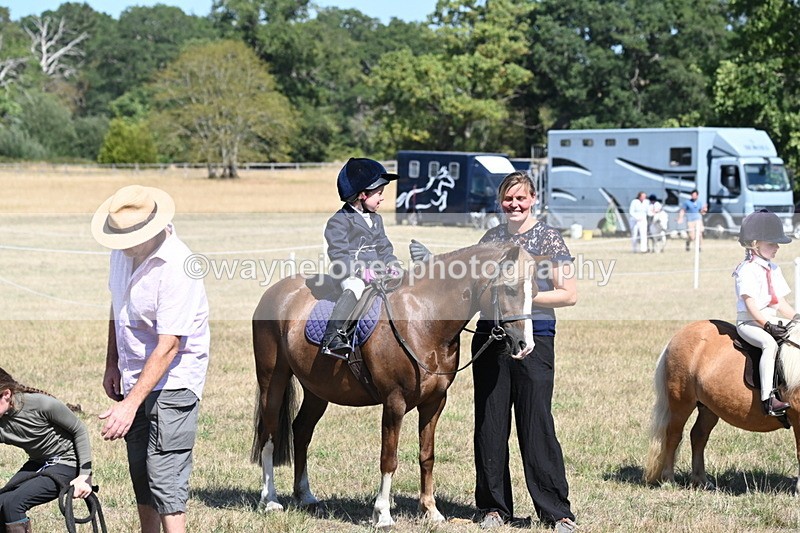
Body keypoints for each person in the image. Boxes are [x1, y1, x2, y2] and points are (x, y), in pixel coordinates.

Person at [412, 171, 577, 531]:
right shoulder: (491, 239)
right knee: (489, 423)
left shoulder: (549, 238)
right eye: (508, 199)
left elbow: (569, 293)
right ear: (500, 202)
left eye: (521, 198)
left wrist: (523, 296)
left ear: (533, 199)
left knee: (537, 424)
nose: (514, 205)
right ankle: (493, 508)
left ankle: (556, 511)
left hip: (535, 337)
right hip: (489, 338)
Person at [91, 185, 210, 533]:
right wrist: (112, 362)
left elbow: (169, 345)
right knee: (140, 470)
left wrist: (128, 405)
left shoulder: (177, 265)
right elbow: (118, 306)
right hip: (133, 376)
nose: (118, 244)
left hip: (174, 379)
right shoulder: (121, 253)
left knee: (165, 475)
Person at [321, 157, 400, 360]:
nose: (382, 199)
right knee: (355, 287)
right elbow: (338, 254)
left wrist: (392, 263)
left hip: (376, 273)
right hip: (348, 273)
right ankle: (332, 337)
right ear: (363, 195)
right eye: (379, 194)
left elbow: (384, 246)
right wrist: (360, 270)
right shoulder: (338, 221)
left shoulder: (376, 219)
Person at [0, 366, 93, 533]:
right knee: (1, 502)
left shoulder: (41, 404)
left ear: (6, 394)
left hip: (68, 463)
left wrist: (85, 476)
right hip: (38, 462)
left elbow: (79, 429)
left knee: (13, 504)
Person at [733, 209, 799, 416]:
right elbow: (750, 303)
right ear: (755, 244)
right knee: (769, 345)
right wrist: (767, 326)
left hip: (771, 317)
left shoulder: (774, 269)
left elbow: (779, 302)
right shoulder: (746, 270)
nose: (777, 247)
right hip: (750, 323)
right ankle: (768, 399)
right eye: (772, 243)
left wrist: (797, 318)